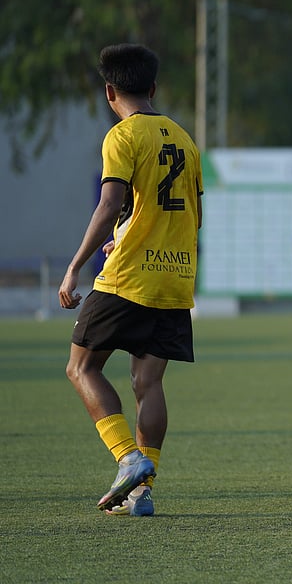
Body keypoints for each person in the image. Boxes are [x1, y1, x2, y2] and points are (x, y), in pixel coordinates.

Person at [59, 43, 203, 517]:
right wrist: (126, 235)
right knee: (148, 382)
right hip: (175, 280)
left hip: (129, 279)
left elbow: (109, 203)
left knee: (81, 367)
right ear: (153, 87)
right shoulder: (185, 139)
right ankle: (142, 493)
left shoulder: (122, 136)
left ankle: (128, 458)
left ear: (110, 92)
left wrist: (75, 265)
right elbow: (192, 216)